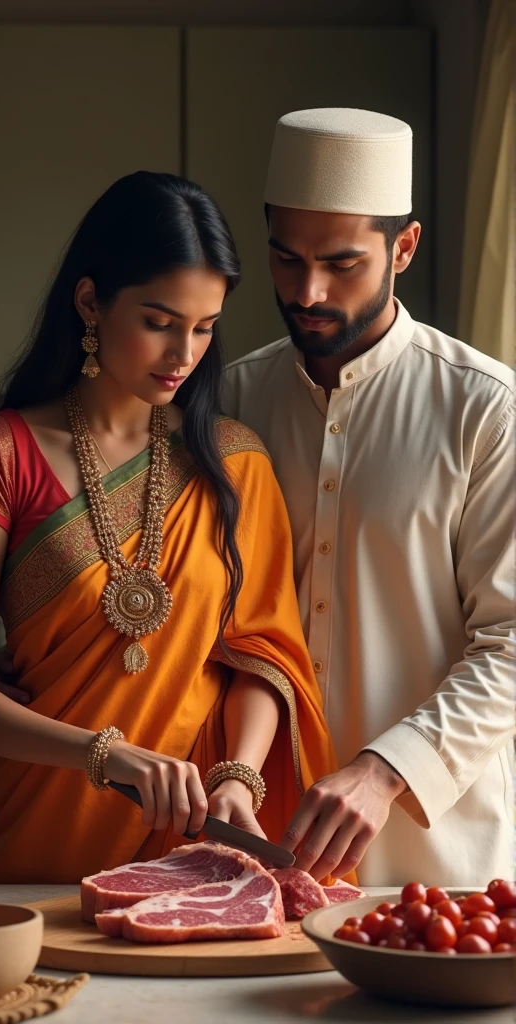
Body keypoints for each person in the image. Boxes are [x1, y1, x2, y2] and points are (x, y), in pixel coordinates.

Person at [0, 171, 344, 884]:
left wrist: (238, 777)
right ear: (91, 302)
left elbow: (264, 653)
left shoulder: (233, 462)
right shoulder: (1, 452)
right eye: (159, 321)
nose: (185, 353)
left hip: (194, 855)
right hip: (39, 842)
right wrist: (104, 754)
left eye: (205, 328)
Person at [225, 108, 515, 886]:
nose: (308, 290)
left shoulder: (486, 408)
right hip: (259, 848)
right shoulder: (228, 400)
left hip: (438, 869)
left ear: (405, 247)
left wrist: (388, 768)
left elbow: (512, 642)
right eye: (286, 259)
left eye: (342, 264)